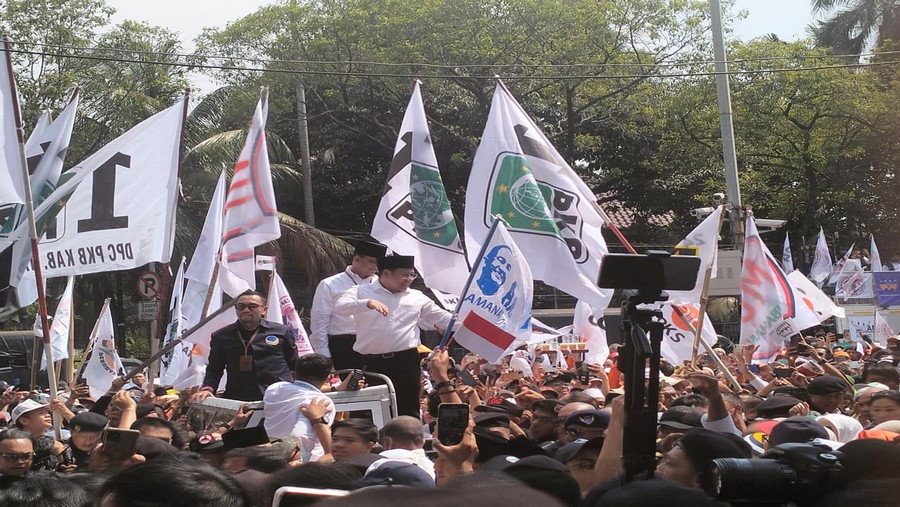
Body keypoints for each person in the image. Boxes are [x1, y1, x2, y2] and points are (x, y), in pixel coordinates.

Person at [334, 254, 453, 416]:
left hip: (406, 362)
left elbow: (442, 318)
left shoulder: (416, 296)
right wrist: (367, 303)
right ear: (386, 273)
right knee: (370, 412)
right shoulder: (360, 291)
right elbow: (340, 307)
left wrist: (465, 321)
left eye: (412, 275)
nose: (409, 279)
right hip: (371, 362)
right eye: (404, 274)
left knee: (407, 410)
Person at [196, 290, 299, 401]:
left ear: (264, 310)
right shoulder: (221, 336)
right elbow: (214, 369)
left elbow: (295, 364)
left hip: (278, 397)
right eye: (241, 306)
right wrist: (207, 389)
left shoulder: (282, 332)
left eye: (252, 306)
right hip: (238, 398)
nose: (246, 310)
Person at [310, 240, 386, 370]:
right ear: (357, 259)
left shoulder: (382, 285)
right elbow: (319, 321)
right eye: (372, 261)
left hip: (375, 345)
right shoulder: (330, 284)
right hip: (343, 345)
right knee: (349, 386)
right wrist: (323, 354)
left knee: (378, 386)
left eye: (379, 263)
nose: (375, 267)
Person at [263, 353, 336, 462]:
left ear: (293, 375)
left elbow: (302, 389)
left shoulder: (274, 388)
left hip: (267, 452)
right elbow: (304, 434)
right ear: (328, 378)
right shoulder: (322, 402)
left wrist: (336, 388)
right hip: (301, 461)